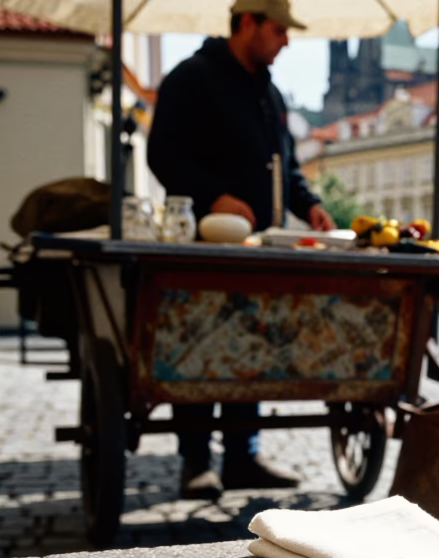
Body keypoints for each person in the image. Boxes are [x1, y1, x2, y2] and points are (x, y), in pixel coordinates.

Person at [147, 0, 335, 500]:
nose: (286, 41)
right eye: (278, 31)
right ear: (247, 23)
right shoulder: (191, 77)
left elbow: (287, 169)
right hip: (200, 247)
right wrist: (214, 196)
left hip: (259, 251)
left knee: (252, 346)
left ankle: (241, 457)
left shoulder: (270, 95)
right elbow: (163, 153)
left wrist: (310, 204)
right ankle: (195, 461)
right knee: (199, 345)